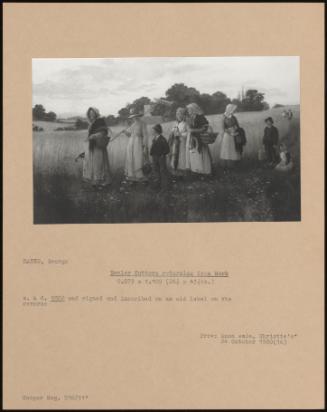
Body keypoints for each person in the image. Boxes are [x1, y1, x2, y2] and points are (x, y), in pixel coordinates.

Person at [76, 107, 111, 190]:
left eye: (93, 113)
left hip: (98, 145)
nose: (91, 114)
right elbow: (89, 134)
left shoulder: (100, 121)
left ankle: (101, 182)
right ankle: (94, 183)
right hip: (91, 146)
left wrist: (94, 136)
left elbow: (104, 132)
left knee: (99, 164)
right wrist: (88, 139)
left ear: (96, 113)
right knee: (92, 164)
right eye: (90, 113)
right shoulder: (91, 123)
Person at [121, 107, 149, 182]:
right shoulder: (133, 125)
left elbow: (145, 135)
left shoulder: (142, 124)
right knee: (131, 159)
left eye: (135, 116)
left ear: (138, 116)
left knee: (138, 159)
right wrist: (125, 132)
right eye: (133, 116)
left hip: (138, 143)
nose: (134, 118)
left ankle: (140, 177)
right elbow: (130, 135)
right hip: (131, 143)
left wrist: (145, 146)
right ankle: (132, 177)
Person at [186, 103, 212, 176]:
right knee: (195, 156)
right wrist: (189, 129)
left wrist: (194, 130)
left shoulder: (200, 117)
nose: (188, 110)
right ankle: (197, 172)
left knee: (202, 155)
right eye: (188, 109)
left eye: (189, 109)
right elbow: (189, 128)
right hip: (193, 140)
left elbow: (205, 128)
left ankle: (205, 172)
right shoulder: (190, 118)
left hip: (200, 139)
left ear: (193, 109)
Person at [220, 103, 241, 168]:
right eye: (232, 110)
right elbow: (223, 128)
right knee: (227, 150)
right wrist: (230, 133)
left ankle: (233, 165)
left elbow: (237, 125)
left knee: (234, 149)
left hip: (235, 134)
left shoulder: (234, 117)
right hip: (228, 135)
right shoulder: (224, 117)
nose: (233, 111)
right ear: (229, 109)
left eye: (233, 110)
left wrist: (236, 130)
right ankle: (227, 166)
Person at [168, 107, 189, 176]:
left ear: (183, 115)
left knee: (182, 156)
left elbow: (188, 133)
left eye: (180, 114)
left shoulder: (186, 124)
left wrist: (180, 134)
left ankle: (183, 173)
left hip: (182, 142)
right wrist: (172, 134)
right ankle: (176, 172)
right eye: (177, 114)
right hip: (175, 142)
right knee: (175, 155)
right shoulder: (175, 124)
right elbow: (172, 133)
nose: (179, 116)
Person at [150, 124, 170, 191]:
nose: (152, 132)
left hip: (161, 158)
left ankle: (164, 187)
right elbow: (153, 148)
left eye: (153, 130)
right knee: (156, 171)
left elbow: (167, 149)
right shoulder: (154, 139)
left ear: (156, 131)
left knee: (162, 171)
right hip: (155, 158)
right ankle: (157, 186)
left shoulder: (162, 139)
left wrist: (162, 155)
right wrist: (152, 154)